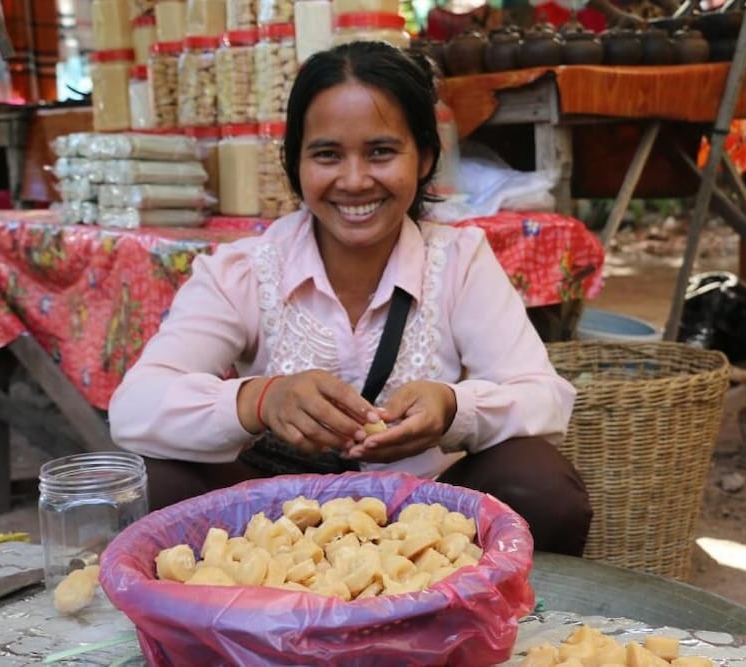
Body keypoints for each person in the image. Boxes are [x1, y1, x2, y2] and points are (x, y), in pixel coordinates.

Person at [108, 41, 592, 556]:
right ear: (295, 163)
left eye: (381, 152)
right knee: (152, 483)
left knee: (541, 486)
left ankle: (480, 603)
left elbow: (544, 398)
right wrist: (259, 401)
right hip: (272, 526)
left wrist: (453, 409)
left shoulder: (459, 261)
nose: (355, 180)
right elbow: (134, 408)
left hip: (429, 525)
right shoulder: (244, 270)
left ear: (425, 158)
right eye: (327, 155)